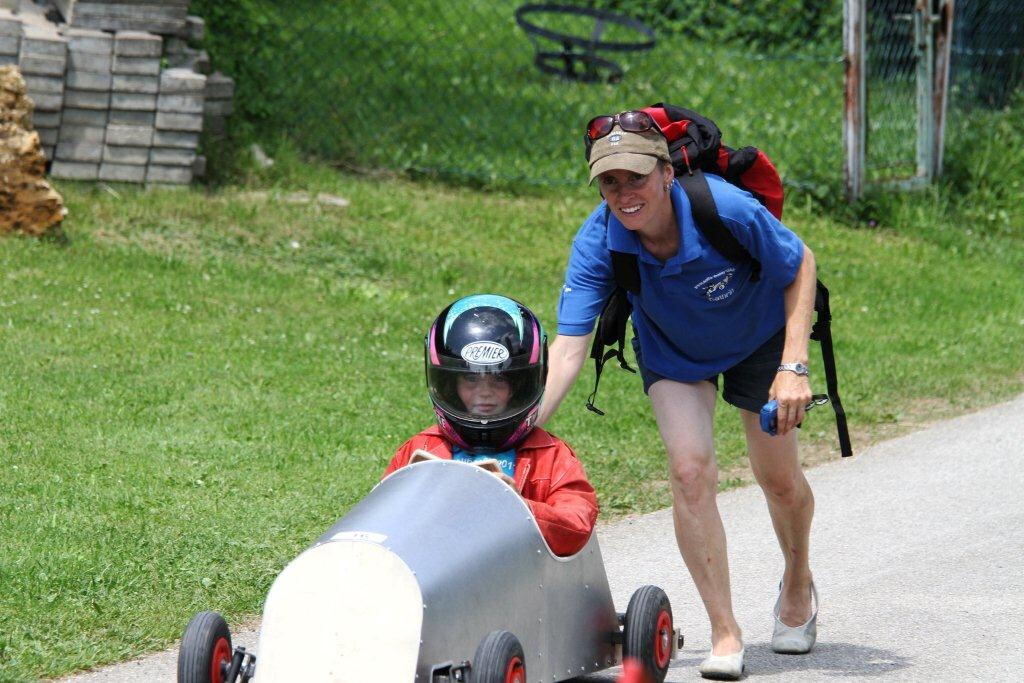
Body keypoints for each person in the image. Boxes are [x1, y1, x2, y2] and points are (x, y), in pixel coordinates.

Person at [537, 110, 819, 679]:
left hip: (758, 339)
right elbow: (569, 348)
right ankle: (725, 631)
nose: (624, 194)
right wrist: (519, 430)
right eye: (609, 182)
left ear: (666, 173)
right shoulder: (599, 241)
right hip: (674, 352)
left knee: (779, 480)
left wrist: (793, 366)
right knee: (690, 471)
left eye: (636, 177)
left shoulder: (724, 207)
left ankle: (797, 579)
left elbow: (800, 264)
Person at [384, 294, 598, 557]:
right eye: (471, 381)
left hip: (521, 582)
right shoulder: (419, 448)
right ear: (450, 385)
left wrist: (517, 508)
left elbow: (577, 525)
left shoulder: (551, 455)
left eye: (498, 381)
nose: (484, 393)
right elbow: (382, 522)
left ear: (520, 384)